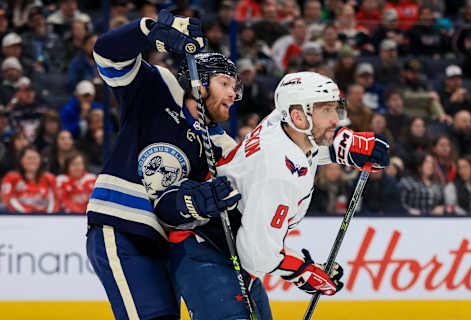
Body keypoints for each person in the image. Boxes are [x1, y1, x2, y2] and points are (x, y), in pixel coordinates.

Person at [168, 72, 390, 319]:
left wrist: (346, 147)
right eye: (326, 110)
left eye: (335, 109)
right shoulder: (277, 174)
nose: (335, 119)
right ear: (298, 116)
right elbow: (257, 256)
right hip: (206, 253)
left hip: (224, 251)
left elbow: (310, 147)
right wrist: (304, 271)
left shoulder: (281, 122)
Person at [85, 11, 242, 320]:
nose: (233, 94)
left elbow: (187, 206)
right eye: (225, 83)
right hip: (121, 226)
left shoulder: (222, 146)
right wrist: (148, 30)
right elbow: (106, 54)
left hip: (166, 245)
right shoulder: (160, 86)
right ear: (199, 81)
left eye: (236, 88)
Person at [1, 145, 59, 213]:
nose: (32, 161)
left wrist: (48, 216)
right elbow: (7, 200)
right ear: (21, 160)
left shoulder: (50, 178)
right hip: (19, 217)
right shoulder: (11, 178)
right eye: (29, 158)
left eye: (35, 158)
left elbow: (55, 202)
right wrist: (27, 214)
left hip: (45, 218)